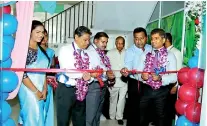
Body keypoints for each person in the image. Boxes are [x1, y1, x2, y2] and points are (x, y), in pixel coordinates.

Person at [137, 28, 177, 126]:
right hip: (146, 89)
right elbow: (137, 73)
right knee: (142, 116)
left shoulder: (170, 56)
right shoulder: (145, 55)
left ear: (163, 40)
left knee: (161, 118)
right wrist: (142, 76)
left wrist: (161, 78)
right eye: (152, 39)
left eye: (156, 38)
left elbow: (174, 77)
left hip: (162, 91)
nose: (153, 41)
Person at [56, 26, 94, 126]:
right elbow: (67, 70)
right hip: (66, 91)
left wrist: (90, 77)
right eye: (85, 40)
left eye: (88, 40)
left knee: (80, 120)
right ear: (76, 37)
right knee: (63, 120)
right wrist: (84, 75)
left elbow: (89, 72)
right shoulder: (65, 50)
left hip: (81, 89)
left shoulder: (86, 53)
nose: (87, 43)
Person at [18, 20, 50, 126]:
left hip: (40, 89)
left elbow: (44, 72)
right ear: (29, 32)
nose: (41, 35)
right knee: (31, 117)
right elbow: (23, 74)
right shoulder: (24, 50)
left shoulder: (41, 49)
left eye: (42, 32)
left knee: (39, 116)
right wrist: (35, 91)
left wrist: (45, 89)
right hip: (28, 89)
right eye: (37, 32)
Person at [120, 27, 152, 126]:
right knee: (134, 108)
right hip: (135, 83)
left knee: (146, 108)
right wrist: (126, 71)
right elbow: (128, 66)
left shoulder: (151, 49)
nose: (139, 41)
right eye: (136, 38)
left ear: (146, 38)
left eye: (141, 38)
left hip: (149, 83)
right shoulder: (130, 51)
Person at [86, 32, 115, 126]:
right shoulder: (90, 52)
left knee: (97, 113)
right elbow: (93, 68)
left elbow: (104, 67)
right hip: (94, 85)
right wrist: (106, 72)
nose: (105, 44)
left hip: (102, 84)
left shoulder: (102, 53)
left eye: (106, 42)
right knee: (91, 115)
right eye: (103, 42)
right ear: (96, 41)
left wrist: (108, 74)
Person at [107, 36, 127, 125]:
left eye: (121, 43)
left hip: (124, 80)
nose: (120, 45)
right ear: (115, 43)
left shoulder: (127, 53)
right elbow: (106, 66)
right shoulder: (110, 53)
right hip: (113, 80)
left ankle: (120, 117)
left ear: (124, 44)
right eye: (118, 43)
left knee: (122, 99)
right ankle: (112, 117)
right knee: (113, 99)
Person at [164, 33, 182, 126]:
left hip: (172, 84)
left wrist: (175, 86)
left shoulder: (176, 52)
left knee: (169, 109)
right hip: (163, 83)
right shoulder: (163, 51)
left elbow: (178, 71)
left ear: (166, 40)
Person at [39, 29, 55, 126]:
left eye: (46, 35)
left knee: (46, 104)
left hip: (47, 82)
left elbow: (52, 67)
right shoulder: (33, 50)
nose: (45, 38)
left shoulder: (51, 51)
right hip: (34, 80)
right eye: (42, 35)